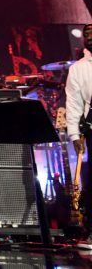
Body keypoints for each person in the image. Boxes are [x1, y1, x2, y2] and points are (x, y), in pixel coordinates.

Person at [66, 23, 92, 220]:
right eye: (86, 34)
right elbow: (74, 102)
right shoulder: (78, 69)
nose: (89, 36)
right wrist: (74, 134)